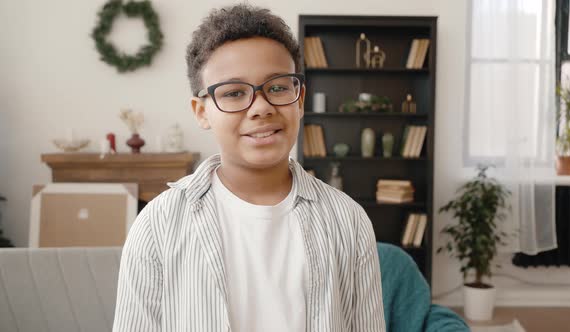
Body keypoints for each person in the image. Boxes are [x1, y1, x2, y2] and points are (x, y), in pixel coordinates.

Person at [112, 3, 385, 332]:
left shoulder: (348, 221)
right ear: (201, 112)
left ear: (299, 100)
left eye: (278, 87)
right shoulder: (158, 225)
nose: (261, 107)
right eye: (234, 93)